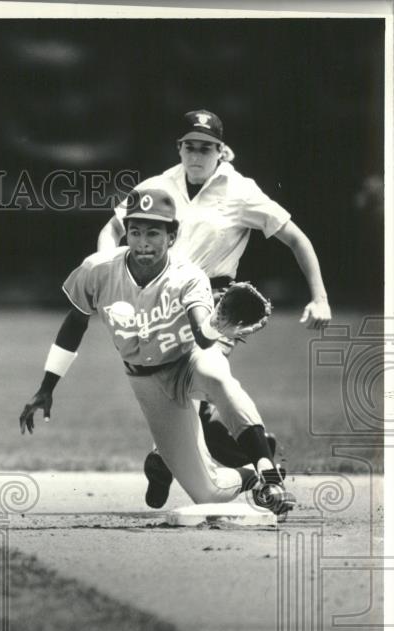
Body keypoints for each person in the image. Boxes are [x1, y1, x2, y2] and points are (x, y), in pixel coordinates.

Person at [96, 109, 330, 507]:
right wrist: (107, 268)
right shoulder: (158, 185)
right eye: (190, 146)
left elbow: (296, 238)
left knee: (208, 374)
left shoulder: (241, 191)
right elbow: (114, 228)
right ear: (180, 148)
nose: (197, 154)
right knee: (184, 391)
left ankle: (178, 459)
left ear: (221, 151)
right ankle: (210, 455)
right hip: (160, 301)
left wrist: (320, 297)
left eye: (206, 147)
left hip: (216, 304)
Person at [19, 187, 294, 516]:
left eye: (153, 232)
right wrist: (46, 387)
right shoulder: (98, 270)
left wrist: (214, 326)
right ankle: (251, 476)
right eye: (135, 232)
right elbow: (75, 322)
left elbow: (203, 340)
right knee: (208, 492)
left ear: (172, 235)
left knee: (216, 373)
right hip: (147, 383)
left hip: (188, 361)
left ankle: (265, 466)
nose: (143, 242)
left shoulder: (188, 277)